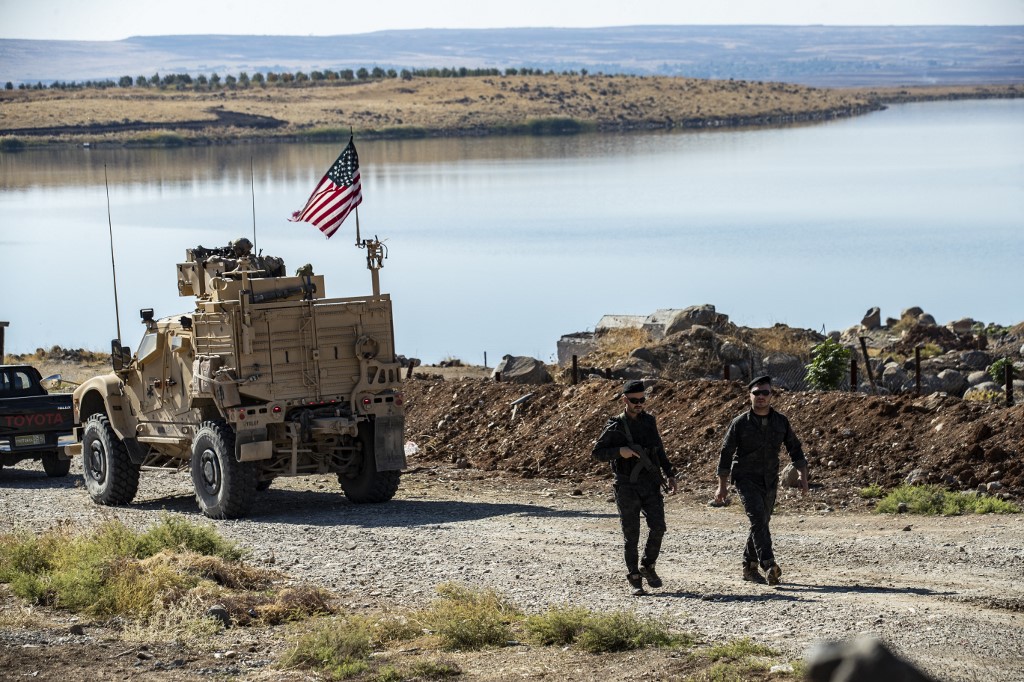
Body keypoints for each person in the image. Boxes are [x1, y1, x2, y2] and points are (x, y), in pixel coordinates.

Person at [715, 375, 808, 586]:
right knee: (758, 519)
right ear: (750, 396)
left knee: (762, 522)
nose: (761, 396)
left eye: (765, 392)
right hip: (745, 478)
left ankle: (749, 566)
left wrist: (802, 475)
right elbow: (726, 453)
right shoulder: (739, 423)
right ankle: (769, 564)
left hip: (769, 479)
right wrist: (722, 486)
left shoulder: (781, 422)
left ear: (771, 395)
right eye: (756, 393)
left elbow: (795, 448)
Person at [592, 379, 678, 595]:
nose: (639, 404)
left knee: (658, 527)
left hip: (650, 483)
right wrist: (620, 452)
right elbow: (597, 453)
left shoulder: (649, 421)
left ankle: (647, 565)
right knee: (631, 535)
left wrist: (670, 474)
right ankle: (634, 576)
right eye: (634, 400)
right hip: (626, 485)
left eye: (642, 400)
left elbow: (659, 450)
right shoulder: (615, 425)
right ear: (625, 400)